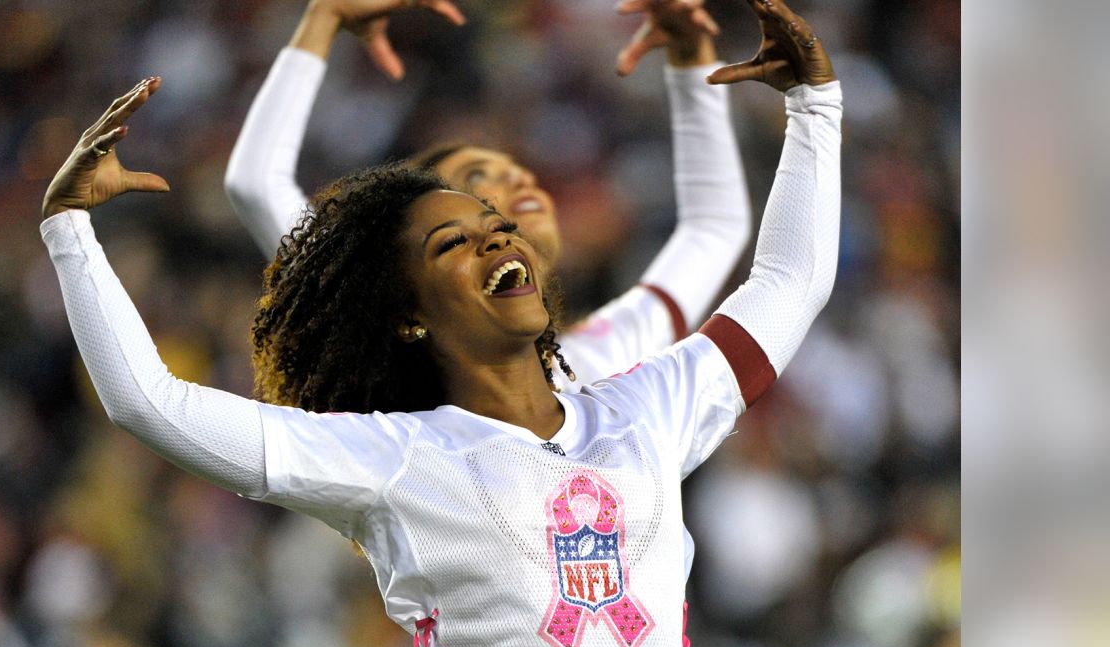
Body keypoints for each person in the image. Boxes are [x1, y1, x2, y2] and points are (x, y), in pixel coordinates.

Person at [37, 0, 840, 647]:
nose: (499, 224)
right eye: (454, 236)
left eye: (497, 214)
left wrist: (815, 105)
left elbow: (784, 277)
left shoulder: (643, 396)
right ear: (408, 315)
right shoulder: (394, 455)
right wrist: (70, 229)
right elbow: (149, 402)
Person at [224, 0, 752, 388]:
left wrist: (691, 57)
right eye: (477, 185)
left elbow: (714, 230)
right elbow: (255, 183)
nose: (518, 181)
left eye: (515, 169)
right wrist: (324, 18)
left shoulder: (596, 356)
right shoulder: (404, 397)